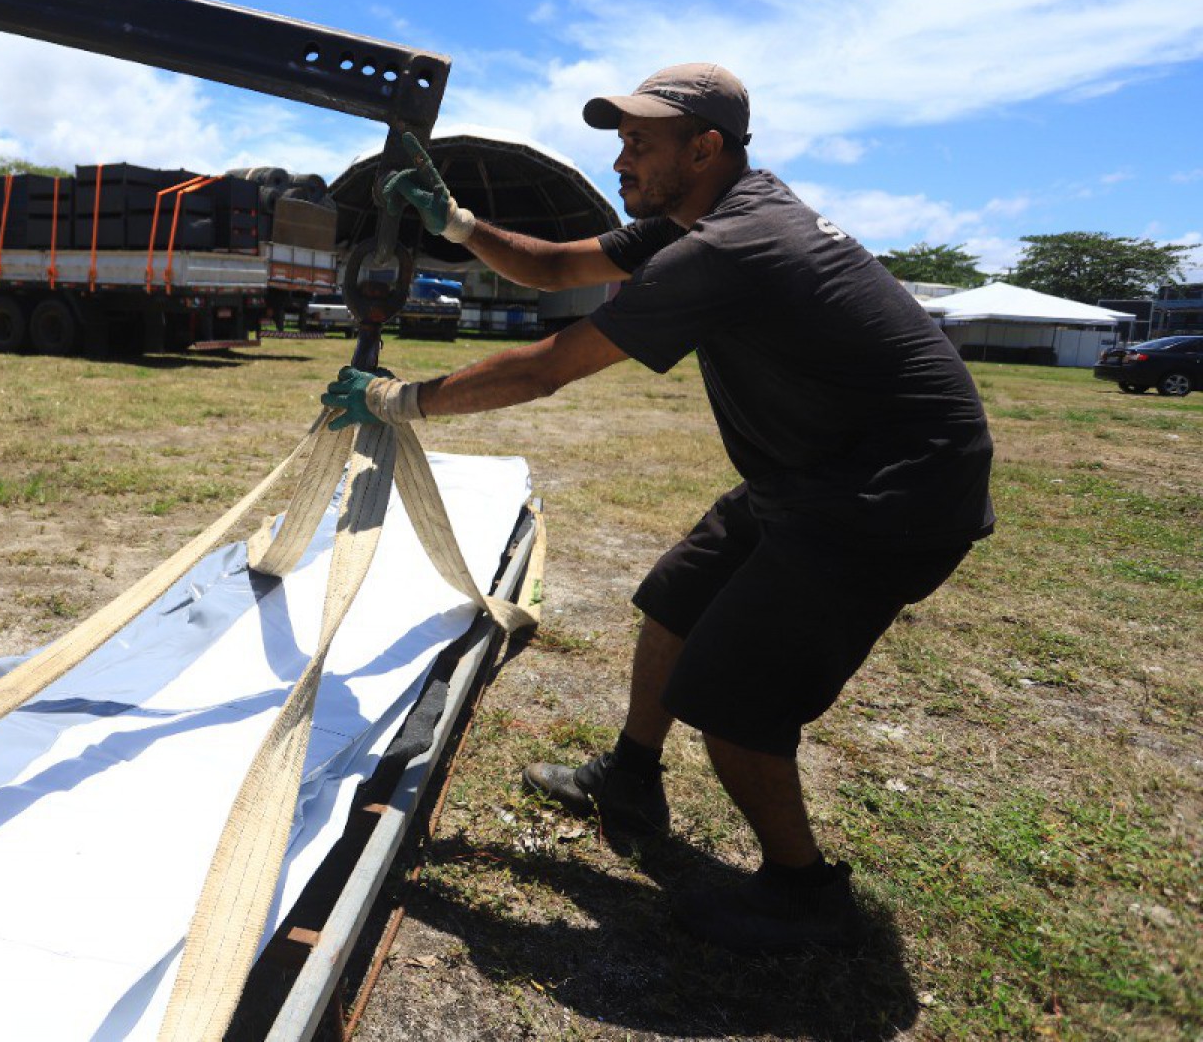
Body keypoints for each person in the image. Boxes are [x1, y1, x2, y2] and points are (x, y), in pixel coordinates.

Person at [323, 63, 993, 952]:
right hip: (815, 471)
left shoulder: (731, 245)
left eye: (640, 143)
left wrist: (400, 400)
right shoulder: (703, 216)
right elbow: (558, 265)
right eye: (619, 141)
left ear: (705, 147)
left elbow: (549, 365)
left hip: (889, 493)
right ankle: (632, 777)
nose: (620, 161)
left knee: (734, 700)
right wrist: (455, 223)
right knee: (677, 595)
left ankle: (804, 892)